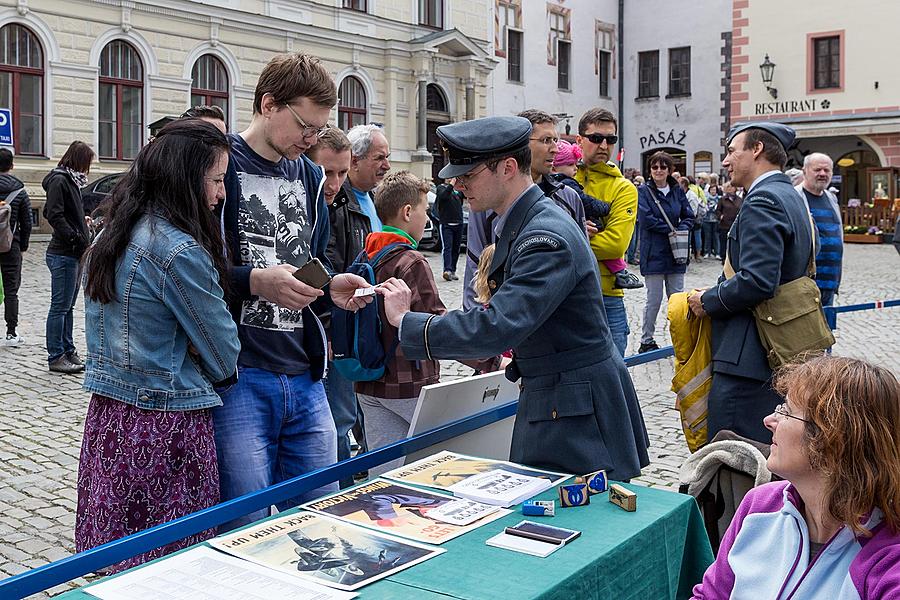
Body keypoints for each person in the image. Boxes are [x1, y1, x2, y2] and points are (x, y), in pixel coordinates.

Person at [378, 115, 650, 479]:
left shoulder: (544, 236)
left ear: (507, 168)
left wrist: (407, 321)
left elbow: (498, 325)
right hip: (561, 399)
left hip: (576, 410)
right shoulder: (524, 221)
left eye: (468, 174)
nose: (457, 184)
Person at [213, 53, 373, 530]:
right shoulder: (219, 162)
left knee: (324, 522)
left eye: (319, 130)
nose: (311, 140)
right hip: (240, 375)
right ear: (268, 105)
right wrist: (253, 281)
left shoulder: (306, 173)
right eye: (306, 126)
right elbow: (191, 270)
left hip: (305, 373)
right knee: (247, 528)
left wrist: (330, 289)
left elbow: (310, 258)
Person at [76, 119, 241, 573]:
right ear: (187, 179)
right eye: (215, 179)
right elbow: (225, 353)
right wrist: (189, 347)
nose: (220, 192)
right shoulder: (178, 251)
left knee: (117, 561)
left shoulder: (111, 235)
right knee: (170, 564)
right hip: (167, 427)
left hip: (110, 421)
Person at [692, 356, 900, 599]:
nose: (769, 421)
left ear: (832, 438)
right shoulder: (760, 504)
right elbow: (710, 595)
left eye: (786, 412)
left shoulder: (887, 561)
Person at [688, 122, 816, 444]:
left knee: (734, 459)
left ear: (756, 150)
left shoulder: (764, 199)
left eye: (732, 151)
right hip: (771, 348)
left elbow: (758, 281)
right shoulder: (790, 194)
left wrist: (708, 300)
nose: (726, 161)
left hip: (749, 357)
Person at [355, 171, 446, 476]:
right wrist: (489, 360)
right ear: (408, 212)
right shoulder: (412, 261)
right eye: (425, 211)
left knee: (383, 477)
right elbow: (437, 324)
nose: (426, 219)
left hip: (368, 381)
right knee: (434, 470)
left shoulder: (366, 254)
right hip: (409, 383)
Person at [463, 109, 587, 310]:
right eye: (547, 140)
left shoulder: (569, 198)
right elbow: (474, 269)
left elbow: (583, 264)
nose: (555, 149)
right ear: (521, 144)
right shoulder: (489, 202)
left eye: (555, 140)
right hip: (505, 318)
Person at [307, 126, 361, 488]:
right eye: (328, 171)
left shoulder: (346, 204)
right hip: (319, 330)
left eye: (343, 172)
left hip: (342, 326)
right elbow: (313, 268)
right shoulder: (305, 206)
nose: (335, 182)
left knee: (341, 419)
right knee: (332, 423)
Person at [575, 108, 638, 356]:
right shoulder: (562, 177)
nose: (604, 145)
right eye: (596, 138)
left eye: (611, 140)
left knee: (612, 383)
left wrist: (566, 242)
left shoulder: (623, 188)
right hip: (564, 295)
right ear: (579, 140)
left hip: (607, 295)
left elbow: (615, 245)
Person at [552, 140, 642, 290]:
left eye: (611, 139)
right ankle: (620, 271)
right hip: (582, 222)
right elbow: (585, 201)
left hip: (595, 285)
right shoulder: (568, 182)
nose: (575, 168)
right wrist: (605, 208)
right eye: (570, 165)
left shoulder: (548, 183)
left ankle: (620, 271)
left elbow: (616, 245)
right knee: (598, 226)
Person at [43, 140, 94, 374]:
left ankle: (68, 349)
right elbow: (53, 214)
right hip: (63, 253)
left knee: (68, 307)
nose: (88, 168)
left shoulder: (70, 180)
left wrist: (82, 223)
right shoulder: (60, 179)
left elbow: (68, 213)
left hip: (73, 254)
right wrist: (74, 236)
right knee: (60, 307)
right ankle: (56, 355)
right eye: (86, 163)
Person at [637, 151, 694, 354]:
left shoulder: (677, 191)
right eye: (655, 167)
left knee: (678, 300)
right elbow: (646, 219)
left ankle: (680, 340)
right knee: (654, 299)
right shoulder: (644, 191)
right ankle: (646, 339)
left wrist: (683, 228)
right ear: (650, 170)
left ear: (669, 170)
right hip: (653, 252)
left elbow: (689, 214)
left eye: (663, 167)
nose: (658, 170)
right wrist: (670, 228)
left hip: (676, 252)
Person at [796, 153, 842, 307]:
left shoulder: (831, 198)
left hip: (829, 281)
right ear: (805, 171)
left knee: (826, 329)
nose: (822, 174)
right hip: (805, 283)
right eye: (817, 170)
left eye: (827, 170)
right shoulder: (795, 197)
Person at [0, 148, 32, 346]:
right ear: (12, 165)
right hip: (11, 245)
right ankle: (11, 333)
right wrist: (23, 245)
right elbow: (27, 222)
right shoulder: (19, 190)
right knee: (11, 289)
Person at [347, 123, 391, 234]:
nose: (387, 166)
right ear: (355, 162)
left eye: (387, 157)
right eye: (379, 158)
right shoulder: (336, 205)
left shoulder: (378, 200)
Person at [433, 177, 464, 281]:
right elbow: (444, 196)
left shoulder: (457, 192)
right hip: (446, 224)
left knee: (456, 248)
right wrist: (451, 184)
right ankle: (447, 270)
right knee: (447, 247)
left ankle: (453, 270)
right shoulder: (441, 188)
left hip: (458, 223)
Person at [715, 182, 742, 265]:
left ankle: (733, 259)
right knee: (723, 242)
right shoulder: (722, 199)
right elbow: (717, 210)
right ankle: (723, 258)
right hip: (724, 224)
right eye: (728, 187)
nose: (730, 188)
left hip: (735, 224)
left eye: (731, 187)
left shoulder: (739, 200)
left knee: (734, 243)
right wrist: (720, 216)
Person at [683, 177, 705, 261]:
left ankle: (691, 255)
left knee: (690, 237)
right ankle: (696, 255)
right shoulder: (698, 189)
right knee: (696, 236)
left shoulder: (690, 193)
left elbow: (693, 208)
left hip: (692, 217)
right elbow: (704, 199)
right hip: (696, 217)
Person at [701, 183, 721, 258]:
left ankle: (717, 253)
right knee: (707, 236)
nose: (713, 191)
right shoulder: (705, 198)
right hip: (707, 219)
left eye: (714, 190)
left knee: (716, 236)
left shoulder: (719, 198)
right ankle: (707, 252)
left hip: (716, 219)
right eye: (712, 190)